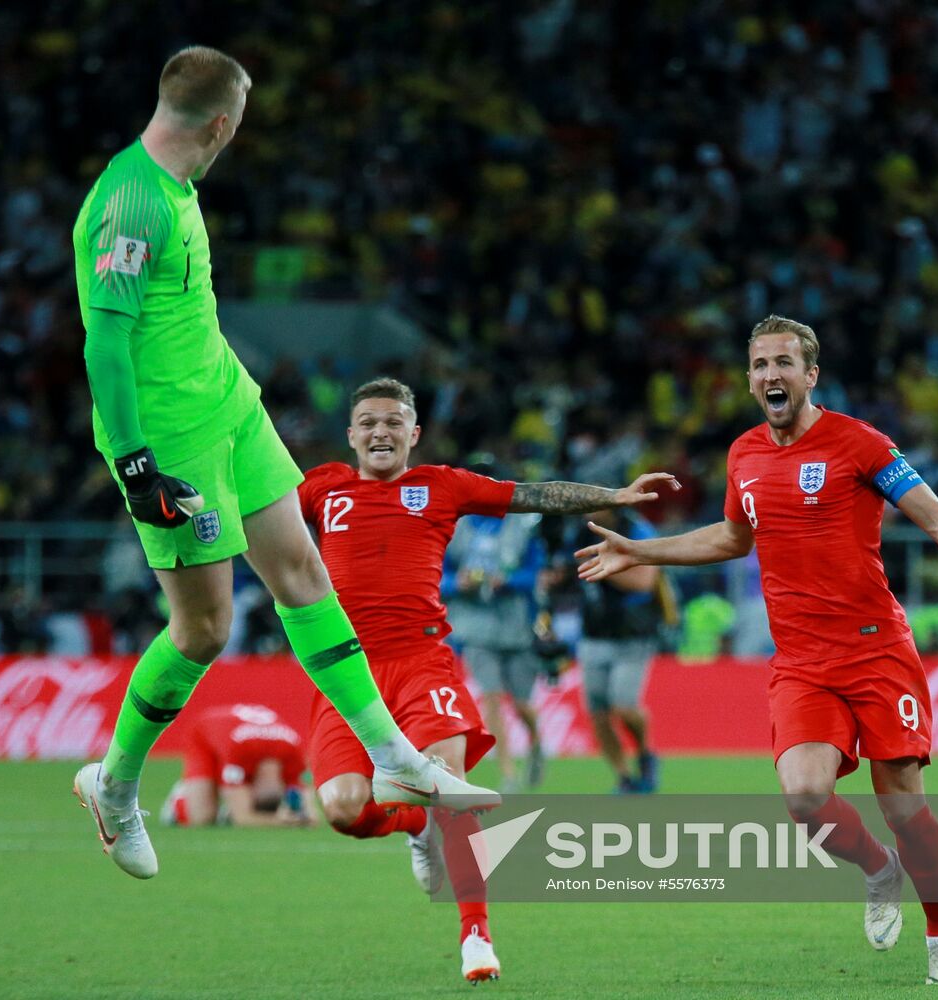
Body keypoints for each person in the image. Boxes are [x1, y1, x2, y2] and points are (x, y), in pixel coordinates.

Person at [68, 46, 496, 881]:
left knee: (304, 573)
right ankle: (114, 786)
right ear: (223, 124)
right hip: (172, 442)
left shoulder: (174, 187)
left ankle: (395, 754)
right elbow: (106, 344)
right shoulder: (129, 204)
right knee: (204, 630)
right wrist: (135, 467)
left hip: (231, 406)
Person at [577, 316, 938, 986]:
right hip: (803, 663)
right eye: (759, 365)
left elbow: (931, 513)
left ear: (811, 375)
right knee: (805, 797)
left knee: (904, 805)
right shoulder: (744, 455)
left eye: (784, 363)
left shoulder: (859, 444)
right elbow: (730, 539)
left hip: (876, 653)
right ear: (750, 378)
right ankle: (878, 869)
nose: (770, 376)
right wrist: (641, 550)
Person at [299, 377, 678, 984]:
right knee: (345, 809)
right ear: (350, 434)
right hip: (344, 671)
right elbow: (258, 519)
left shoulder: (441, 486)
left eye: (394, 421)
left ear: (413, 433)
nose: (380, 431)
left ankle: (476, 935)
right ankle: (416, 822)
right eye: (368, 422)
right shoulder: (322, 490)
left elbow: (535, 496)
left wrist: (616, 494)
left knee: (449, 781)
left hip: (421, 662)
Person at [445, 505, 546, 793]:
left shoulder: (523, 526)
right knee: (491, 699)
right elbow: (438, 576)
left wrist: (509, 580)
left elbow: (535, 575)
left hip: (518, 630)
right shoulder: (456, 527)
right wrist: (457, 583)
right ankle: (508, 774)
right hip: (475, 628)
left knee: (522, 704)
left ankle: (536, 743)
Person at [574, 506, 669, 793]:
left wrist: (600, 568)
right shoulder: (578, 533)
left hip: (632, 633)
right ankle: (624, 777)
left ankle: (645, 753)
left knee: (624, 706)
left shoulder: (638, 531)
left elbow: (644, 582)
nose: (586, 510)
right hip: (593, 633)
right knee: (598, 714)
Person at [160, 703, 314, 828]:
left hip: (235, 739)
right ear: (250, 784)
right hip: (204, 735)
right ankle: (179, 801)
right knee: (203, 818)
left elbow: (312, 816)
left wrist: (303, 818)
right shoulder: (239, 752)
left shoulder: (294, 755)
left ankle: (226, 804)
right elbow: (243, 818)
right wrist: (282, 821)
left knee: (218, 813)